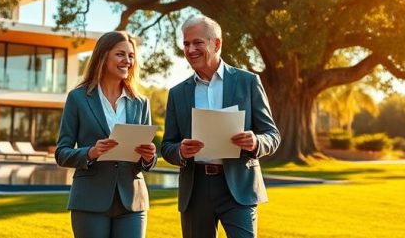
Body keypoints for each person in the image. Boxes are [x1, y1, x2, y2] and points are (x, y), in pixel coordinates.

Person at [161, 15, 281, 238]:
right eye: (186, 44)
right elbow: (167, 145)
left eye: (198, 42)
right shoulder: (177, 93)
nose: (190, 49)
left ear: (216, 43)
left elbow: (272, 135)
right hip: (195, 190)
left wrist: (256, 142)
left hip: (238, 187)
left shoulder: (248, 82)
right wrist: (180, 151)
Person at [56, 30, 158, 238]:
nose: (127, 61)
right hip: (90, 200)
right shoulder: (78, 98)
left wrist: (149, 158)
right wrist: (91, 153)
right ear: (103, 56)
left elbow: (147, 161)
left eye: (131, 56)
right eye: (120, 54)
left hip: (133, 202)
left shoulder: (140, 103)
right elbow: (61, 152)